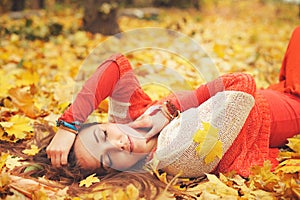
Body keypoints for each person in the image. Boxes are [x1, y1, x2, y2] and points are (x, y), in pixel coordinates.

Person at [46, 26, 300, 178]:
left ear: (106, 122)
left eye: (104, 135)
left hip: (273, 93)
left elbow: (116, 65)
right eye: (109, 159)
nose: (118, 144)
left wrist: (70, 124)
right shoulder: (173, 155)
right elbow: (241, 83)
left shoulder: (136, 116)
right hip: (281, 115)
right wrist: (169, 110)